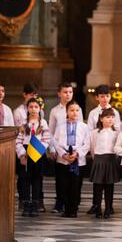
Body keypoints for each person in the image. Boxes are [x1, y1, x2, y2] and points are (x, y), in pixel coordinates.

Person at [49, 82, 84, 214]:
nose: (68, 94)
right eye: (65, 92)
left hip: (75, 152)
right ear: (59, 94)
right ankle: (60, 203)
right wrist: (53, 150)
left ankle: (73, 205)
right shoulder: (55, 111)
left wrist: (77, 152)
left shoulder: (77, 108)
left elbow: (80, 131)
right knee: (61, 180)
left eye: (70, 92)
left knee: (74, 182)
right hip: (61, 151)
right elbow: (52, 133)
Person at [86, 85, 121, 215]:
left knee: (109, 184)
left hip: (110, 156)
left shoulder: (115, 113)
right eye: (102, 96)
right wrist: (94, 155)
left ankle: (109, 207)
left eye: (107, 96)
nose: (105, 99)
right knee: (98, 184)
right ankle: (96, 205)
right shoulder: (93, 113)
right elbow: (91, 136)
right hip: (99, 156)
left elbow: (118, 130)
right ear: (97, 98)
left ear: (110, 97)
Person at [53, 100, 91, 218]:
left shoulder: (84, 127)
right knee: (63, 185)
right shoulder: (60, 126)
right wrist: (63, 154)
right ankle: (66, 208)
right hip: (63, 159)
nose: (74, 113)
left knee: (75, 186)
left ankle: (73, 209)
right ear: (67, 111)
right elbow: (55, 142)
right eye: (72, 110)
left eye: (77, 110)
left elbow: (87, 144)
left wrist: (77, 154)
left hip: (77, 160)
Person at [15, 98, 51, 217]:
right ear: (27, 109)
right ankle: (26, 204)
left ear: (40, 109)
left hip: (38, 153)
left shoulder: (43, 123)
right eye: (31, 107)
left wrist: (39, 151)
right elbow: (18, 141)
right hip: (25, 154)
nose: (33, 109)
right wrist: (21, 154)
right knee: (25, 180)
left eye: (36, 107)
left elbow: (47, 140)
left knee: (37, 180)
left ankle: (35, 204)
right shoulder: (24, 124)